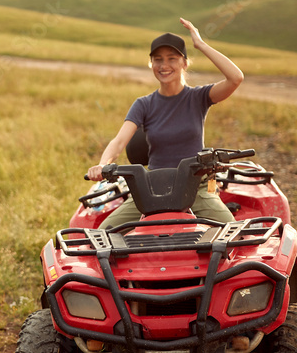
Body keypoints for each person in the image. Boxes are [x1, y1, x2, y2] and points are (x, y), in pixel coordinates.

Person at [87, 18, 244, 228]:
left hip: (195, 187)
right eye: (158, 59)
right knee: (105, 234)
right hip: (152, 189)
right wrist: (103, 164)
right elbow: (118, 141)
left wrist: (201, 44)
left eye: (172, 58)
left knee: (231, 232)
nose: (164, 65)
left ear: (184, 63)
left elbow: (235, 78)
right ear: (151, 64)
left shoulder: (199, 97)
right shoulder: (143, 104)